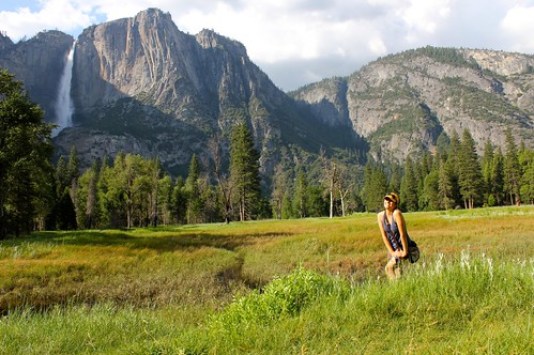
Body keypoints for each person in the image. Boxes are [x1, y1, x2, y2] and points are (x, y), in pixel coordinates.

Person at [377, 192, 410, 280]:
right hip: (391, 248)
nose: (388, 201)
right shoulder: (380, 216)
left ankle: (396, 288)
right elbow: (384, 236)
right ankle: (401, 288)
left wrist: (405, 252)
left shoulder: (396, 214)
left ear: (395, 204)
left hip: (401, 246)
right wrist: (391, 252)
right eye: (386, 199)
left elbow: (403, 234)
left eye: (391, 200)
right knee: (397, 270)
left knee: (388, 268)